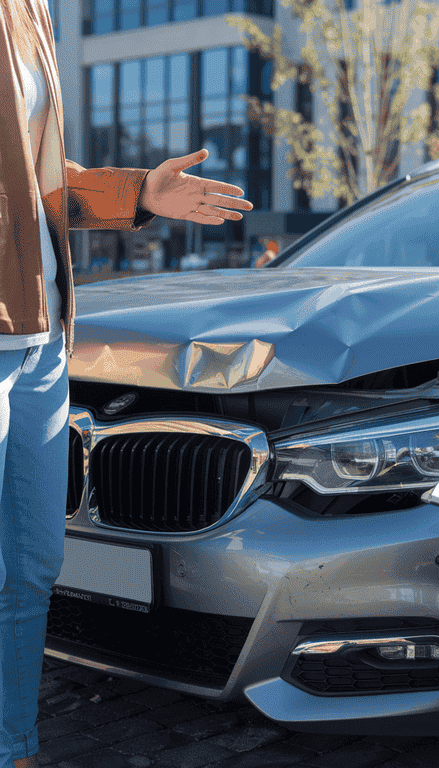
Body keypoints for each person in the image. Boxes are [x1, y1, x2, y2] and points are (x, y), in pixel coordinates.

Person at [0, 2, 253, 766]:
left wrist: (138, 192)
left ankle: (15, 748)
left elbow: (34, 178)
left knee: (31, 565)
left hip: (41, 340)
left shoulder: (30, 11)